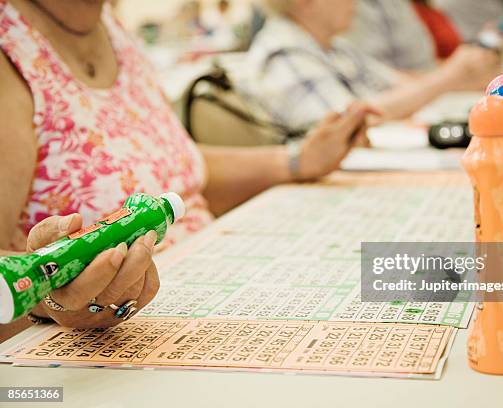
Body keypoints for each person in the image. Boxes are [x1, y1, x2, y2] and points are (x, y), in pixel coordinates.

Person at [0, 0, 370, 341]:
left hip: (215, 296)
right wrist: (45, 300)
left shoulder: (107, 24)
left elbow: (166, 167)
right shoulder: (10, 51)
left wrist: (295, 161)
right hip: (100, 357)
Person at [237, 0, 500, 133]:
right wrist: (448, 77)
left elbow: (401, 84)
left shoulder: (333, 47)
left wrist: (464, 76)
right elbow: (345, 126)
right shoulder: (285, 54)